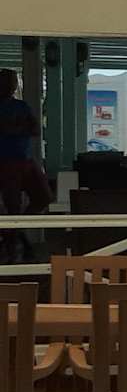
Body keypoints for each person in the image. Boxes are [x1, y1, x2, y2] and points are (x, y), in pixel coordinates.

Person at [0, 70, 50, 261]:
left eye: (12, 82)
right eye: (7, 82)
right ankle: (13, 250)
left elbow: (35, 128)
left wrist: (12, 128)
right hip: (5, 162)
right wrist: (19, 128)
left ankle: (14, 233)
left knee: (44, 197)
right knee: (13, 206)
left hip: (25, 160)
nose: (11, 86)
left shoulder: (21, 106)